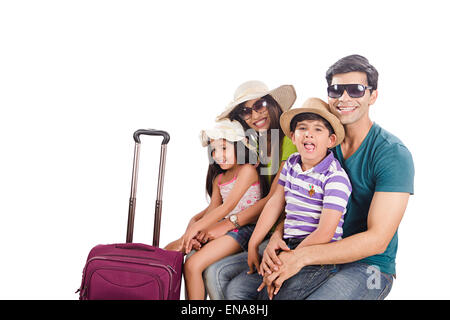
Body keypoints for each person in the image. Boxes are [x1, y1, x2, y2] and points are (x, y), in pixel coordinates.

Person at [244, 54, 414, 300]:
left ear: (373, 96)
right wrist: (278, 236)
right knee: (244, 290)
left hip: (369, 265)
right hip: (315, 247)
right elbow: (293, 198)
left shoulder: (392, 154)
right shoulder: (319, 142)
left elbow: (377, 240)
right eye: (336, 90)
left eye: (356, 90)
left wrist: (298, 257)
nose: (344, 98)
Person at [201, 81, 299, 299]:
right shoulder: (255, 144)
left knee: (216, 273)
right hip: (255, 224)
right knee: (203, 264)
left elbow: (275, 198)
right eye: (246, 111)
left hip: (280, 230)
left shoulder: (289, 142)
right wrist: (202, 223)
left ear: (273, 104)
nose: (255, 115)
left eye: (260, 105)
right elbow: (234, 191)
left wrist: (229, 223)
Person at [164, 119, 268, 300]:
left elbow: (228, 207)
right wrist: (194, 226)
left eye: (224, 148)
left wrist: (197, 229)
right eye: (214, 150)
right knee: (188, 259)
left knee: (193, 265)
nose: (218, 155)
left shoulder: (247, 171)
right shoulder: (218, 179)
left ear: (238, 146)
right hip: (226, 227)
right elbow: (213, 209)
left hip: (245, 229)